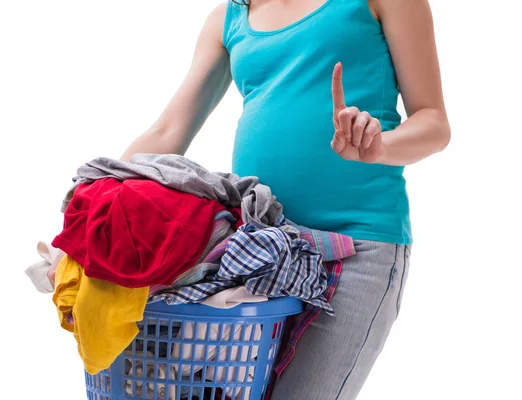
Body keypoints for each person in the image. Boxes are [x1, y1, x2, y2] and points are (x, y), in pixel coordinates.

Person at [120, 0, 450, 398]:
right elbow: (167, 132)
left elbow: (433, 121)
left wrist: (379, 147)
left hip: (356, 250)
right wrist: (92, 211)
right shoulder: (228, 18)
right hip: (258, 251)